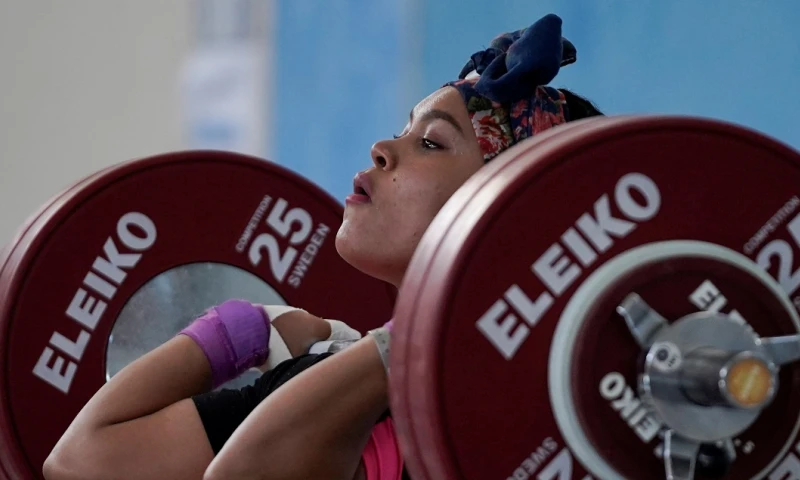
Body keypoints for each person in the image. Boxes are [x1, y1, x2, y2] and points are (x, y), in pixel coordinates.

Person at [43, 13, 603, 480]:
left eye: (431, 143)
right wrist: (243, 329)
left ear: (507, 212)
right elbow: (80, 461)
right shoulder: (339, 387)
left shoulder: (563, 414)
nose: (382, 148)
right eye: (404, 130)